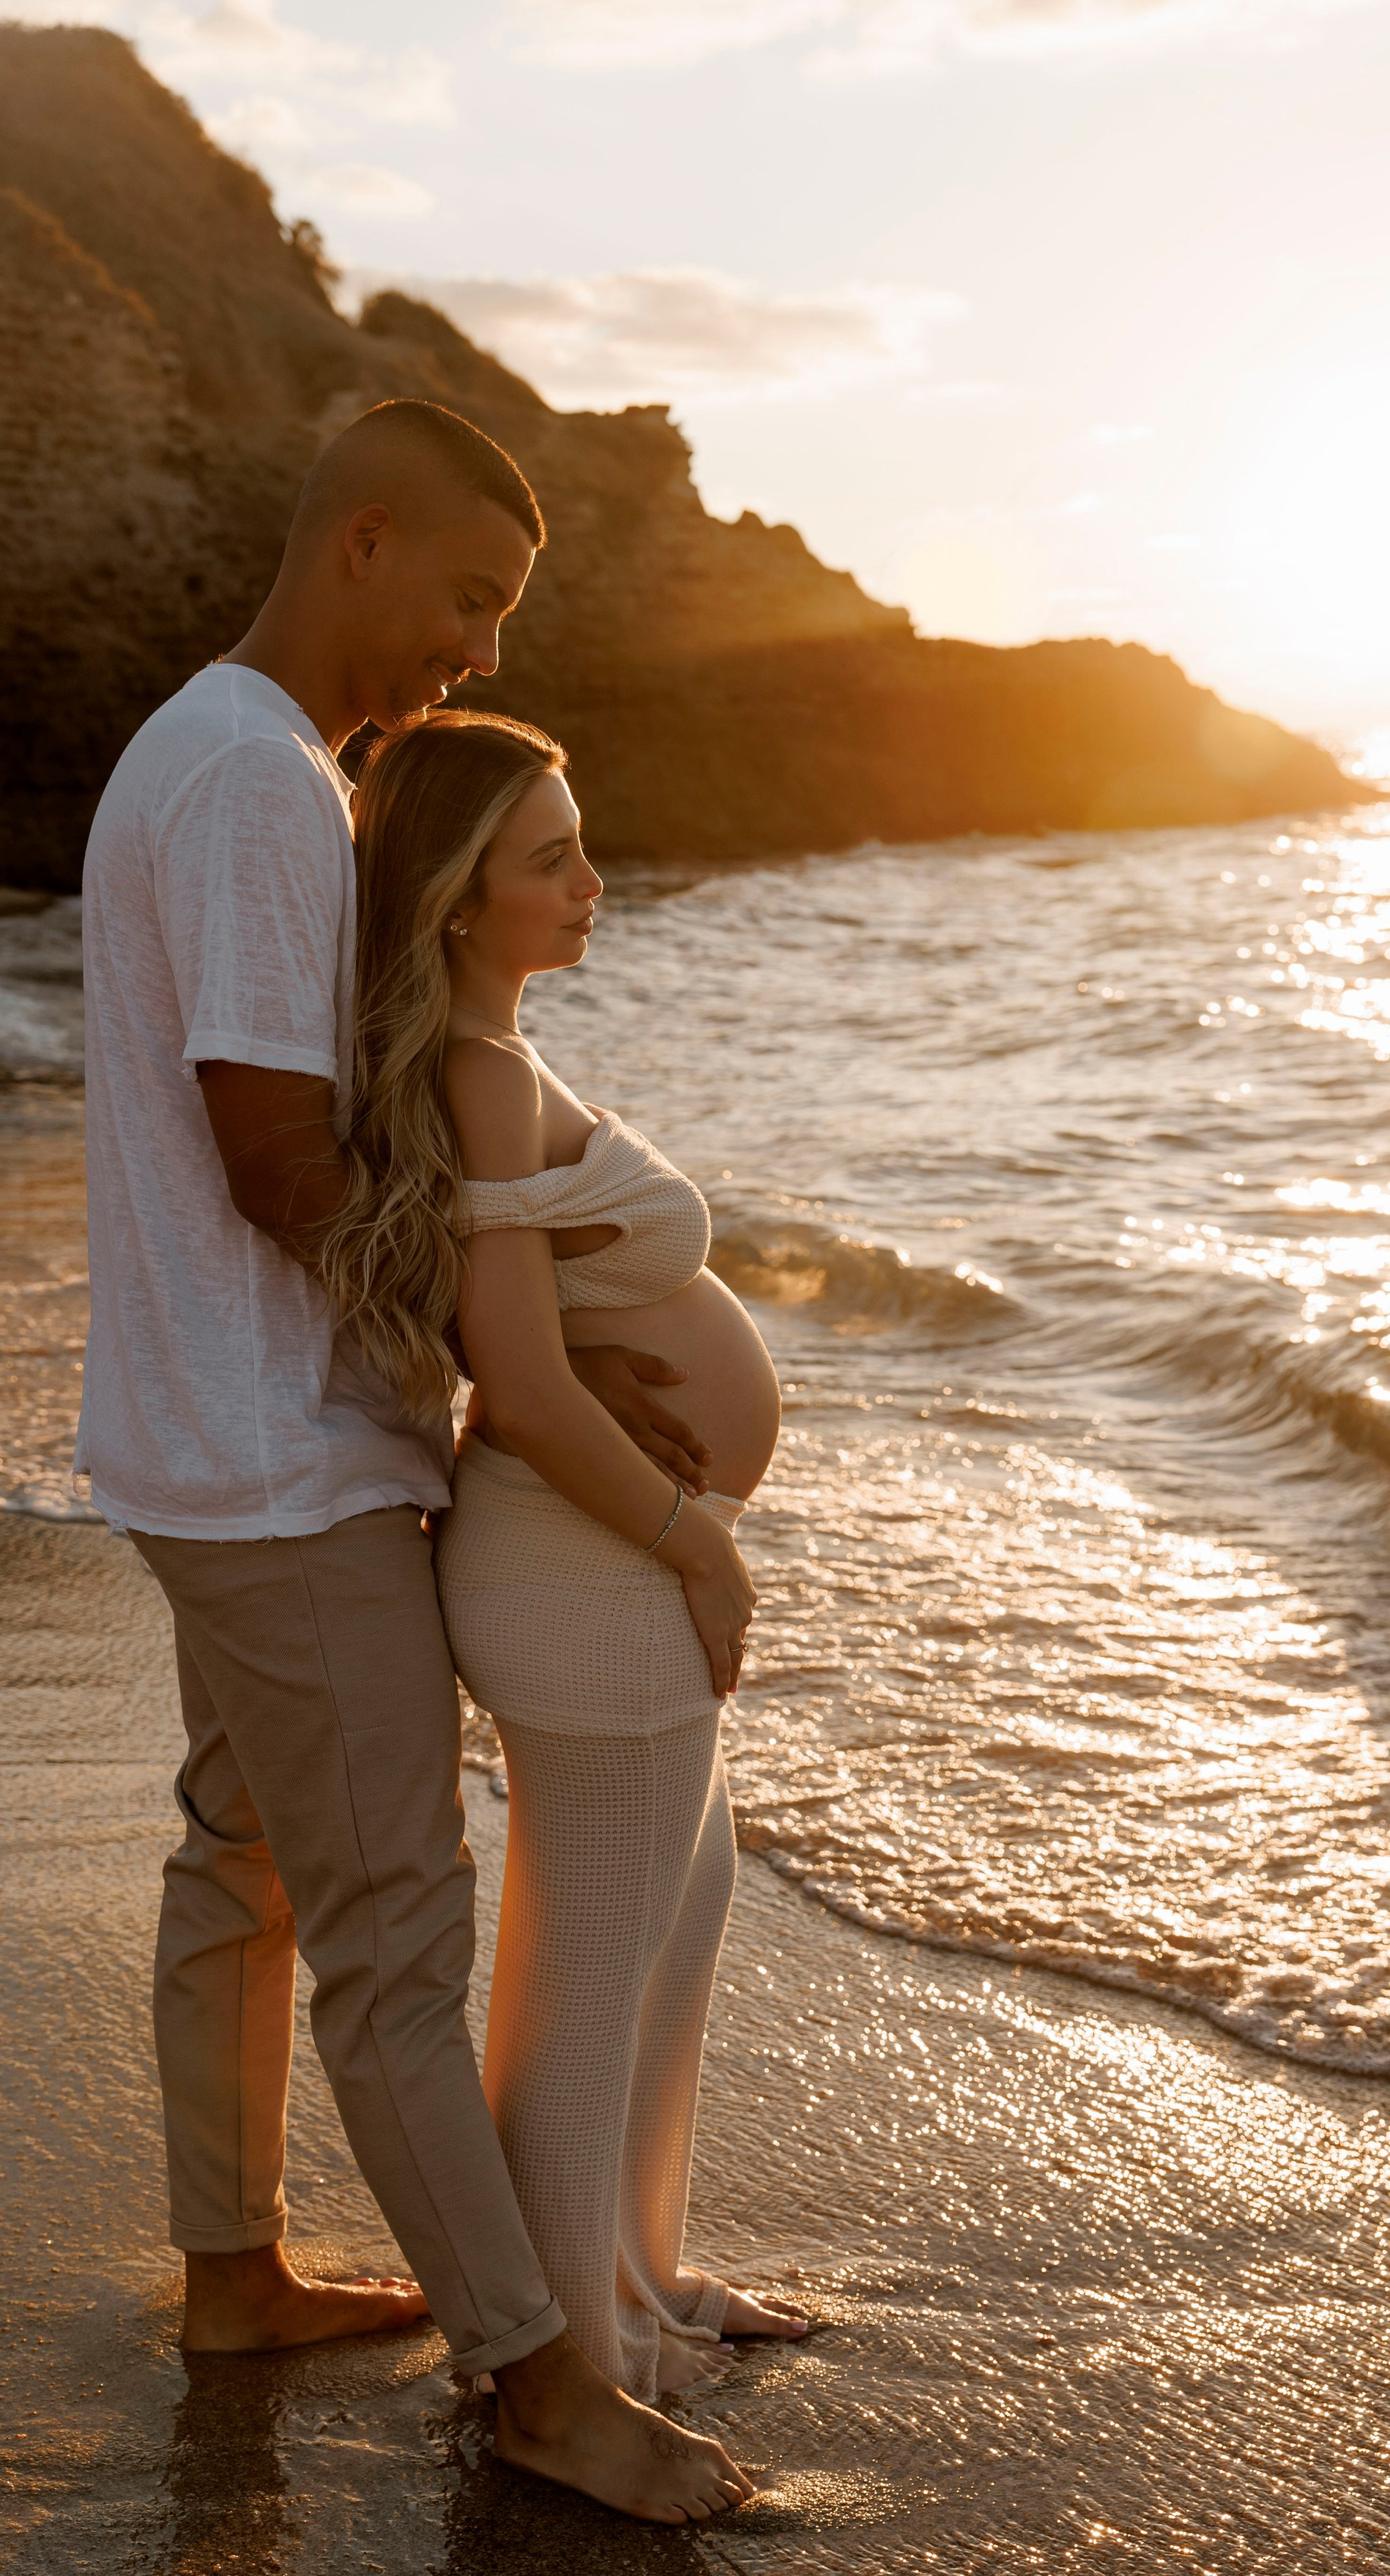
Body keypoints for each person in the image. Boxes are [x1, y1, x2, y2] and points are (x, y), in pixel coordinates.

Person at [77, 395, 752, 2523]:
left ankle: (232, 2276)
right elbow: (283, 1158)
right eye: (470, 595)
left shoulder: (216, 757)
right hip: (286, 1471)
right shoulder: (266, 787)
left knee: (246, 1868)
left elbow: (283, 1142)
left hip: (215, 1440)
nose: (478, 646)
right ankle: (545, 2386)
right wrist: (498, 1346)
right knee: (387, 1929)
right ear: (363, 542)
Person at [324, 706, 809, 2400]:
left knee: (674, 1912)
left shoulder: (500, 1058)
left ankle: (639, 2277)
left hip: (591, 1568)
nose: (591, 881)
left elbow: (527, 1329)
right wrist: (698, 1546)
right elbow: (521, 1385)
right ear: (460, 897)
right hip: (587, 1574)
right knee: (588, 1967)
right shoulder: (476, 1072)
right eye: (551, 858)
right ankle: (565, 2374)